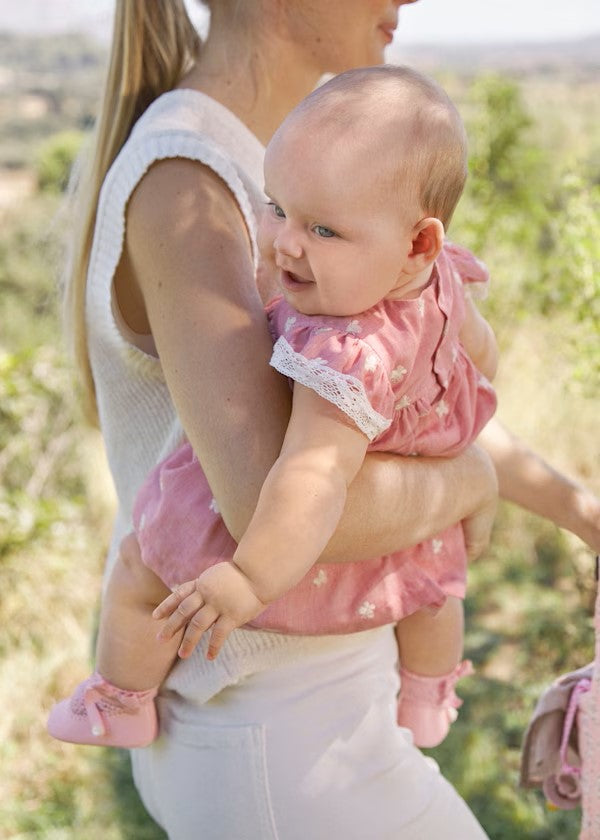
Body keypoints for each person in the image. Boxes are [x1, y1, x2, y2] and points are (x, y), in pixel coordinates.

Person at [53, 2, 600, 838]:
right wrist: (467, 483)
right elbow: (277, 499)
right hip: (274, 728)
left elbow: (391, 407)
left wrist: (580, 514)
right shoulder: (191, 182)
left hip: (318, 718)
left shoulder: (302, 163)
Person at [49, 64, 499, 753]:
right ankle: (429, 689)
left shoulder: (341, 355)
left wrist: (249, 578)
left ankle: (119, 702)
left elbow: (311, 476)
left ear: (418, 242)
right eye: (278, 207)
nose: (287, 242)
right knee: (437, 587)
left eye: (323, 230)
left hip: (292, 550)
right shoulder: (437, 281)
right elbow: (481, 363)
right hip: (407, 540)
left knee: (143, 564)